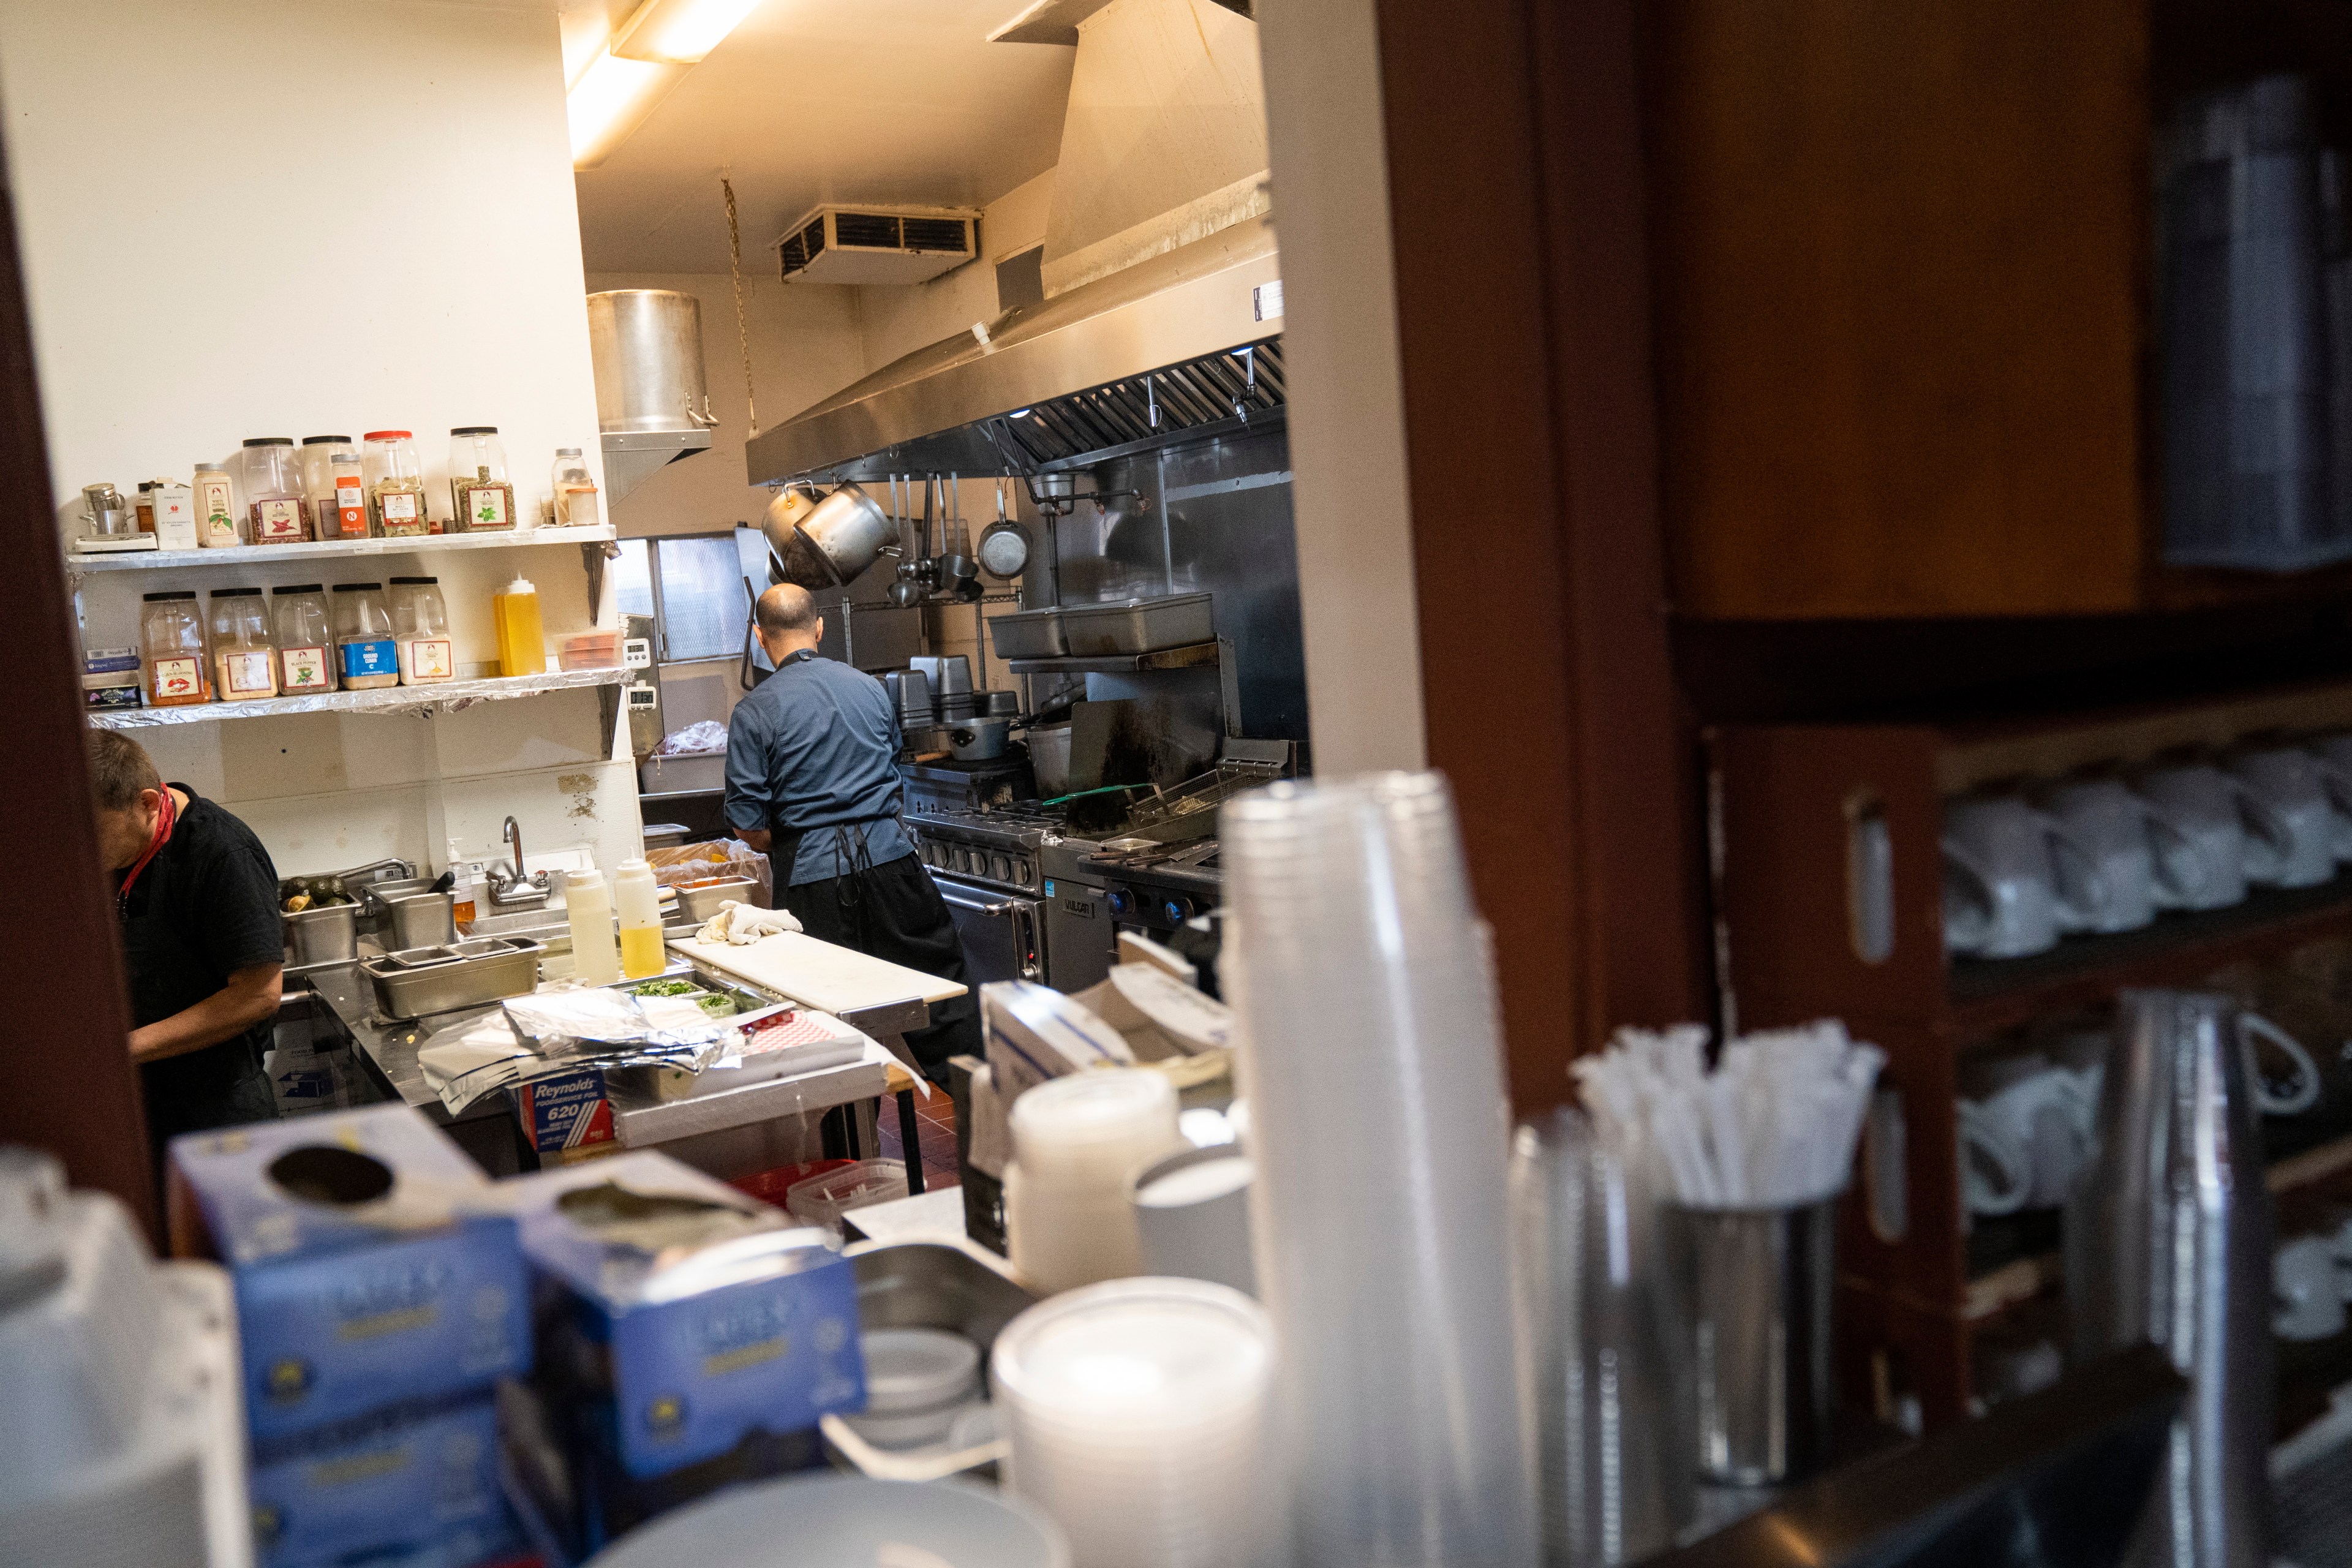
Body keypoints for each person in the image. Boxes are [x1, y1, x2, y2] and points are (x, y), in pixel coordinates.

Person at [724, 584, 979, 1074]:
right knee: (941, 1003)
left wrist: (801, 838)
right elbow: (892, 767)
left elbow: (748, 824)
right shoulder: (869, 687)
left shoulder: (755, 711)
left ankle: (849, 1133)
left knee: (826, 1024)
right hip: (893, 865)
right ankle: (988, 1128)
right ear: (819, 628)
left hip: (812, 883)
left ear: (760, 637)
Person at [86, 729, 282, 1172]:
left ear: (150, 804)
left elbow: (259, 994)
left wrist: (123, 1048)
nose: (85, 850)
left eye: (96, 832)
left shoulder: (221, 854)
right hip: (141, 1097)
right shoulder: (114, 851)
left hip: (217, 1104)